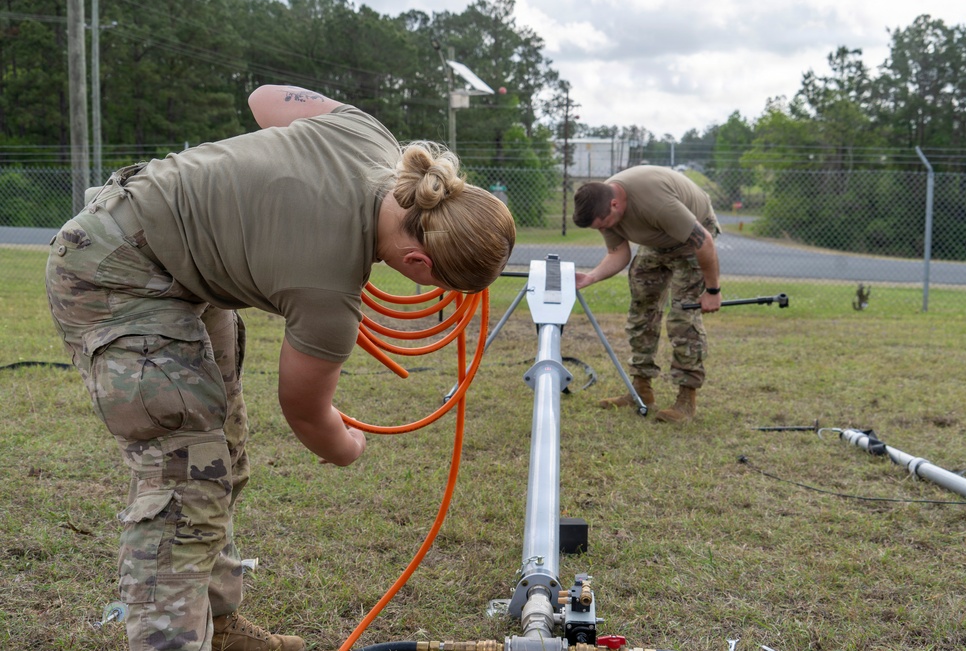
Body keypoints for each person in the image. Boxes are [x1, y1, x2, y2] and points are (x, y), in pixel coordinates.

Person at [45, 84, 516, 651]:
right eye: (436, 284)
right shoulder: (327, 289)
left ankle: (218, 628)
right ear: (418, 263)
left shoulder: (369, 136)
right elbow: (304, 410)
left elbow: (266, 98)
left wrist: (264, 193)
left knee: (223, 454)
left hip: (183, 271)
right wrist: (346, 447)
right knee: (185, 483)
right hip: (112, 271)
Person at [572, 165, 721, 423]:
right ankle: (641, 392)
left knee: (682, 318)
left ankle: (686, 400)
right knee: (641, 312)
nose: (604, 228)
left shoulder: (656, 203)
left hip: (691, 239)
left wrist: (712, 290)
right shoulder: (601, 206)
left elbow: (703, 241)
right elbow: (618, 253)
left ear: (616, 204)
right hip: (657, 241)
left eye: (605, 224)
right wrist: (591, 277)